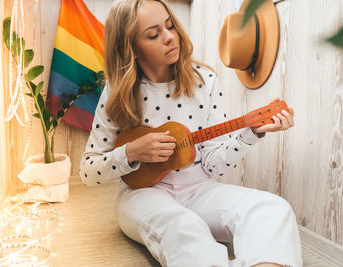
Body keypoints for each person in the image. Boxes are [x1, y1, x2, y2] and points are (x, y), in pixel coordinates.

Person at [79, 0, 303, 266]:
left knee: (272, 209)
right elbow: (88, 171)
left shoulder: (205, 82)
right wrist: (131, 152)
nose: (170, 37)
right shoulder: (118, 91)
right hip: (140, 196)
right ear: (132, 49)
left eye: (170, 25)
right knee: (183, 227)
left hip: (199, 189)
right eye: (153, 34)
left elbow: (214, 166)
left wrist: (250, 133)